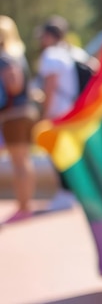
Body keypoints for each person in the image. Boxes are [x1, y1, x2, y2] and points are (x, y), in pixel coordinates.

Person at [0, 15, 40, 223]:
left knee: (18, 162)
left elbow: (14, 85)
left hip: (13, 114)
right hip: (26, 111)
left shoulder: (4, 57)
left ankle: (23, 206)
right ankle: (26, 205)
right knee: (24, 160)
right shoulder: (18, 55)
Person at [36, 15, 97, 121]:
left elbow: (50, 86)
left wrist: (44, 115)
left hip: (58, 112)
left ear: (48, 36)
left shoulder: (51, 54)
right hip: (77, 108)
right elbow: (95, 67)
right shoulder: (76, 52)